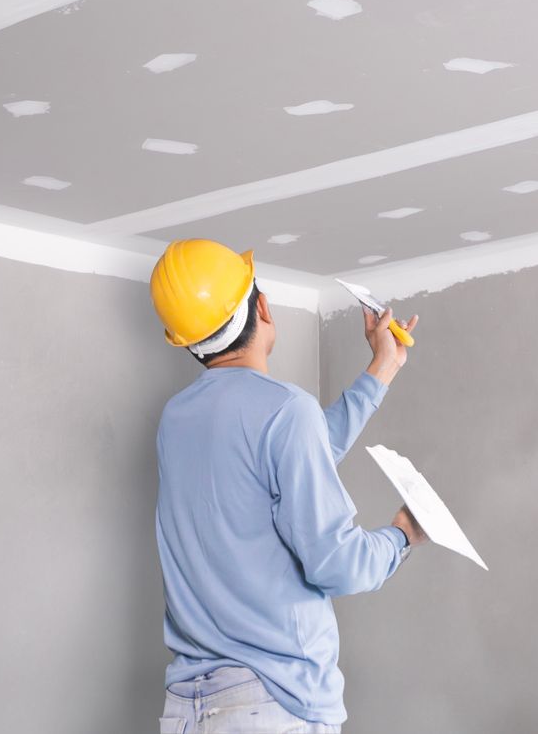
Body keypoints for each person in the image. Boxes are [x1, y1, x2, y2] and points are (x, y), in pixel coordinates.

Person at [149, 239, 425, 733]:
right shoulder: (283, 411)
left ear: (186, 339)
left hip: (188, 709)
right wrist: (403, 535)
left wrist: (383, 368)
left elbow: (292, 459)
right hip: (272, 704)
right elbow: (339, 566)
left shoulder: (176, 419)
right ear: (262, 306)